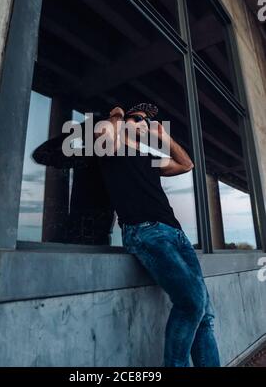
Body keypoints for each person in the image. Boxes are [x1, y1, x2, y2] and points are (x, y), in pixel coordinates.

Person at [94, 103, 220, 367]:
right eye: (139, 119)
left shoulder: (149, 157)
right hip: (146, 232)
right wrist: (116, 114)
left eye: (146, 121)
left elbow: (187, 164)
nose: (145, 123)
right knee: (192, 302)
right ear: (126, 122)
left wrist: (165, 138)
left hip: (176, 235)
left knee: (205, 314)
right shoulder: (111, 147)